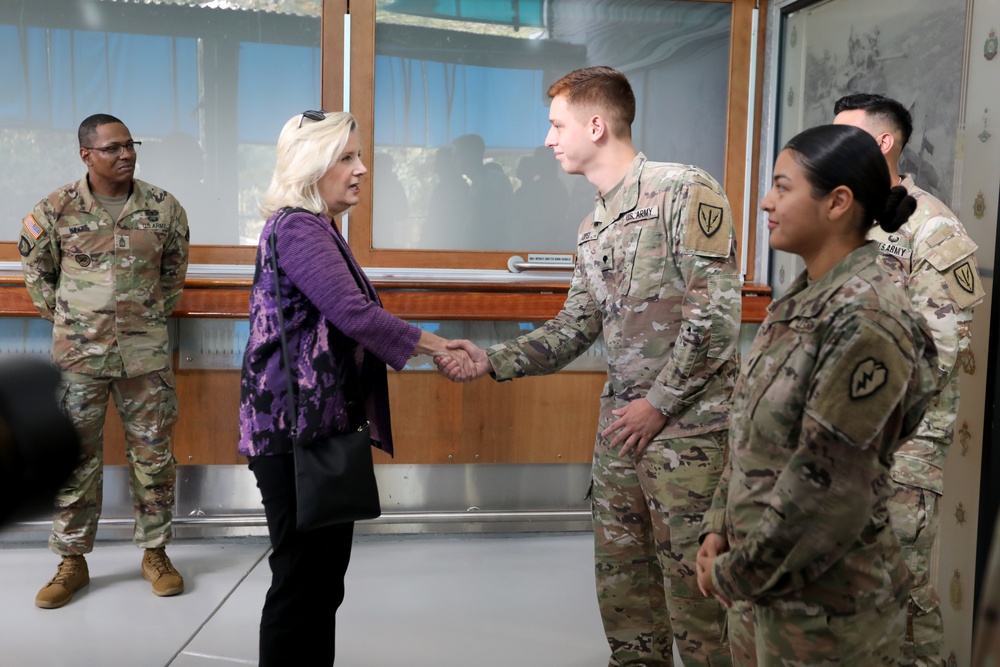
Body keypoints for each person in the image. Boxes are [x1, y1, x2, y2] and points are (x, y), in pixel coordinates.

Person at [439, 66, 739, 667]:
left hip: (688, 440)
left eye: (557, 125)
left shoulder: (685, 191)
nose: (548, 140)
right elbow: (577, 326)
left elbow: (716, 320)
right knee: (626, 597)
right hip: (623, 438)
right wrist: (491, 360)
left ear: (596, 125)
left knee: (700, 607)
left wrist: (658, 405)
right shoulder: (592, 228)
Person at [696, 124, 940, 666]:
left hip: (826, 612)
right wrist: (719, 527)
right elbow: (751, 436)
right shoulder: (802, 299)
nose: (765, 202)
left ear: (837, 203)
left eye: (783, 187)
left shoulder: (867, 318)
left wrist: (738, 572)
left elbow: (828, 486)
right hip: (766, 588)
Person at [238, 110, 470, 666]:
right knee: (302, 584)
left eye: (359, 156)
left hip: (313, 429)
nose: (362, 169)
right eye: (346, 157)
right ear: (310, 165)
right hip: (296, 436)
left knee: (320, 583)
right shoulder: (297, 226)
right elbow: (351, 313)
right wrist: (439, 346)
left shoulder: (314, 226)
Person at [834, 93, 985, 667]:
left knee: (900, 591)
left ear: (883, 143)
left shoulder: (932, 228)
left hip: (901, 447)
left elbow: (937, 352)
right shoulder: (845, 216)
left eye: (843, 135)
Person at [19, 113, 190, 608]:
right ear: (86, 154)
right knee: (73, 459)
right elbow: (37, 272)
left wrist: (144, 317)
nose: (126, 154)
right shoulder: (56, 209)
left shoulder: (163, 208)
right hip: (79, 358)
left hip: (145, 357)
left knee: (154, 458)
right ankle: (72, 560)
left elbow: (174, 273)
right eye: (113, 147)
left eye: (130, 145)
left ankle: (155, 552)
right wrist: (74, 321)